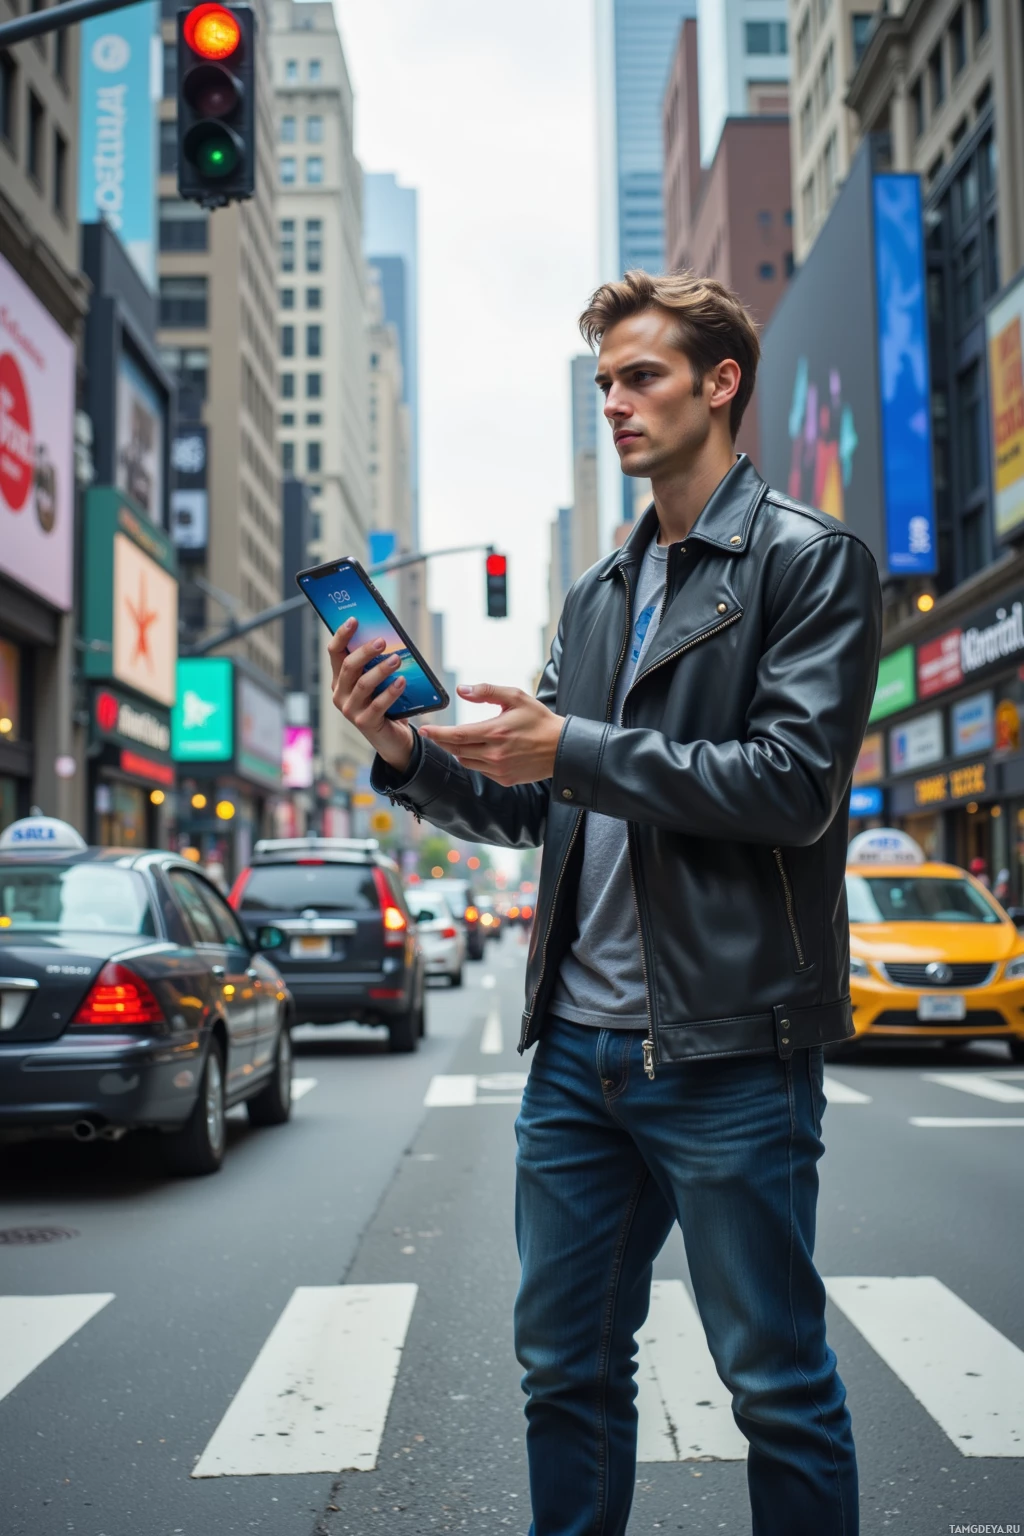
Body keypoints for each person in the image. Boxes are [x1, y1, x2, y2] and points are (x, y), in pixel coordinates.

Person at [327, 270, 882, 1536]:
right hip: (578, 1061)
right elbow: (545, 814)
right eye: (603, 385)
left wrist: (569, 745)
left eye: (640, 377)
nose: (615, 405)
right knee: (565, 1375)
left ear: (720, 382)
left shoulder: (809, 563)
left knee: (776, 1387)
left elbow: (791, 787)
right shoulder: (598, 594)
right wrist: (418, 757)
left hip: (730, 1048)